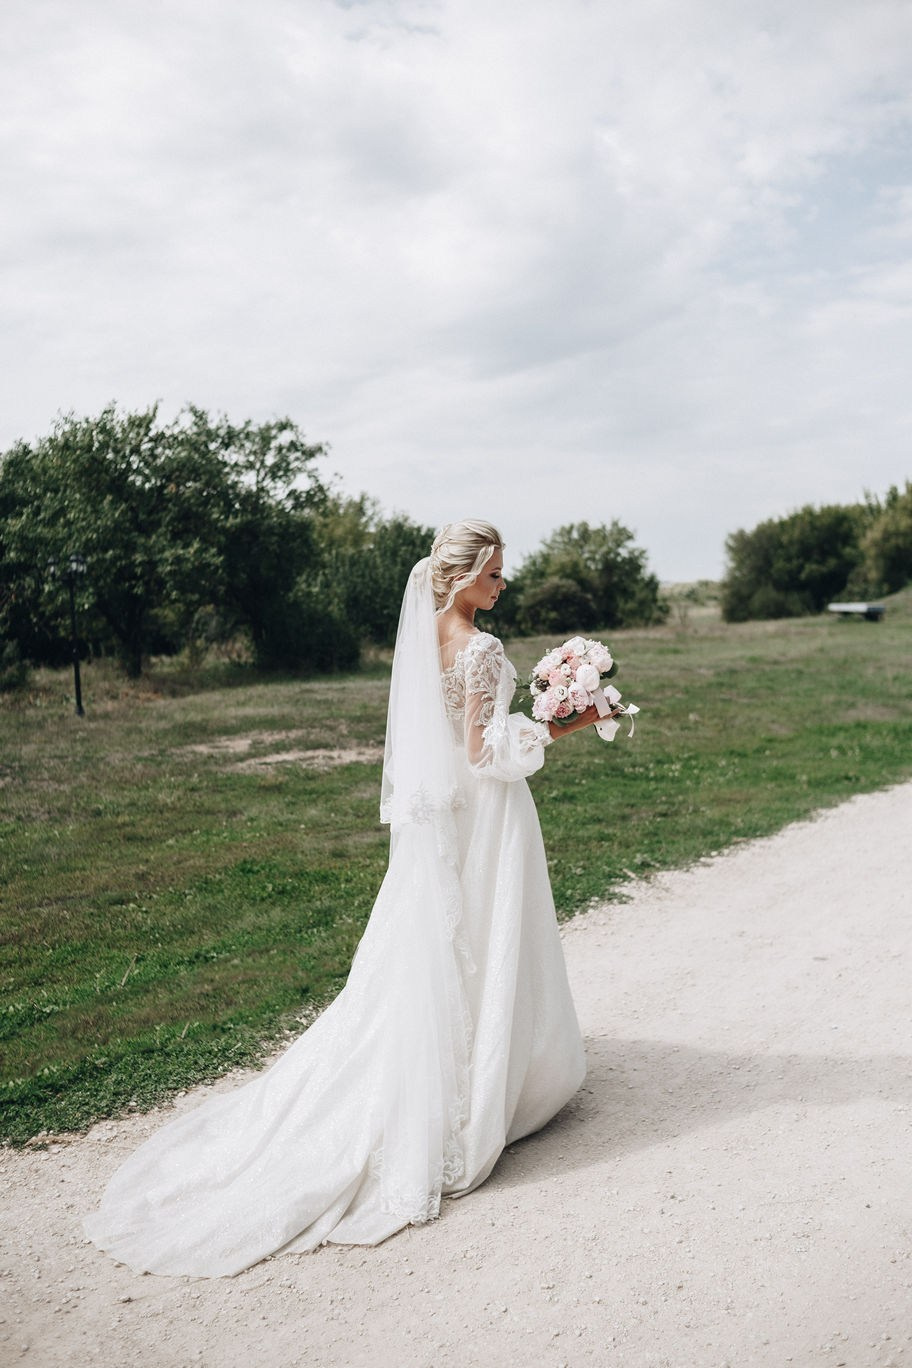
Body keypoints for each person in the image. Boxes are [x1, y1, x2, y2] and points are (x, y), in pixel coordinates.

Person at [84, 520, 614, 1277]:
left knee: (429, 955)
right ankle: (491, 1083)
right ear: (462, 577)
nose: (503, 586)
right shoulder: (485, 649)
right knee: (488, 939)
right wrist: (569, 723)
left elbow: (434, 738)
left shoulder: (419, 638)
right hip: (483, 818)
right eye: (495, 575)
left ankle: (453, 1066)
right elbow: (482, 752)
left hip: (437, 826)